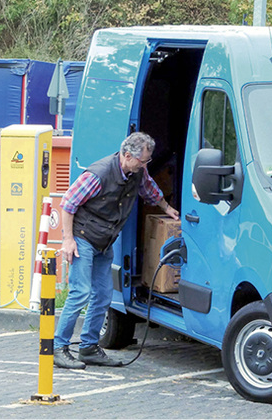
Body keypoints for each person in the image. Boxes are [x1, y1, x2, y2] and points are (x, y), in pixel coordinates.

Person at [54, 132, 179, 369]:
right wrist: (67, 240)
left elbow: (149, 189)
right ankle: (58, 348)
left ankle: (89, 348)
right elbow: (68, 204)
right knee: (80, 292)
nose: (145, 166)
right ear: (127, 155)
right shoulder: (98, 174)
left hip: (105, 240)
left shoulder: (137, 171)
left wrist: (167, 207)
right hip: (83, 237)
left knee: (103, 295)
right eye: (143, 161)